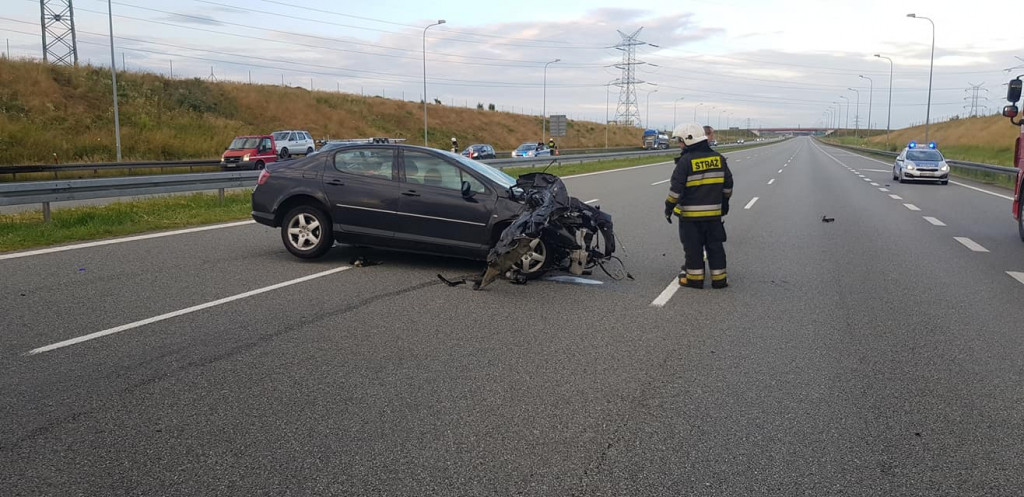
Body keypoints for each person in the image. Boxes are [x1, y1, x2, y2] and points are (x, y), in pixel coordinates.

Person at [664, 123, 733, 289]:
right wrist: (723, 205)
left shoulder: (685, 161)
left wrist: (668, 208)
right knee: (715, 246)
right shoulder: (719, 158)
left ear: (689, 139)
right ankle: (719, 280)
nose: (679, 144)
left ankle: (695, 279)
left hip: (690, 218)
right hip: (714, 216)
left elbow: (676, 190)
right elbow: (728, 186)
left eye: (680, 141)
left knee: (693, 248)